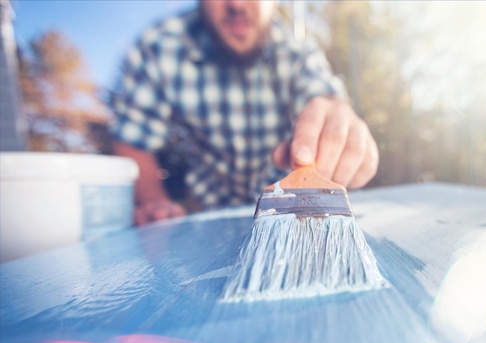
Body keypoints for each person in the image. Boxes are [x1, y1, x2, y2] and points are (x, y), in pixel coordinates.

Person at [110, 0, 379, 225]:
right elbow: (134, 140)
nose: (237, 4)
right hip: (207, 217)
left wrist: (339, 124)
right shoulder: (160, 46)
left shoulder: (298, 53)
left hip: (289, 220)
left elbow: (325, 99)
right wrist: (156, 202)